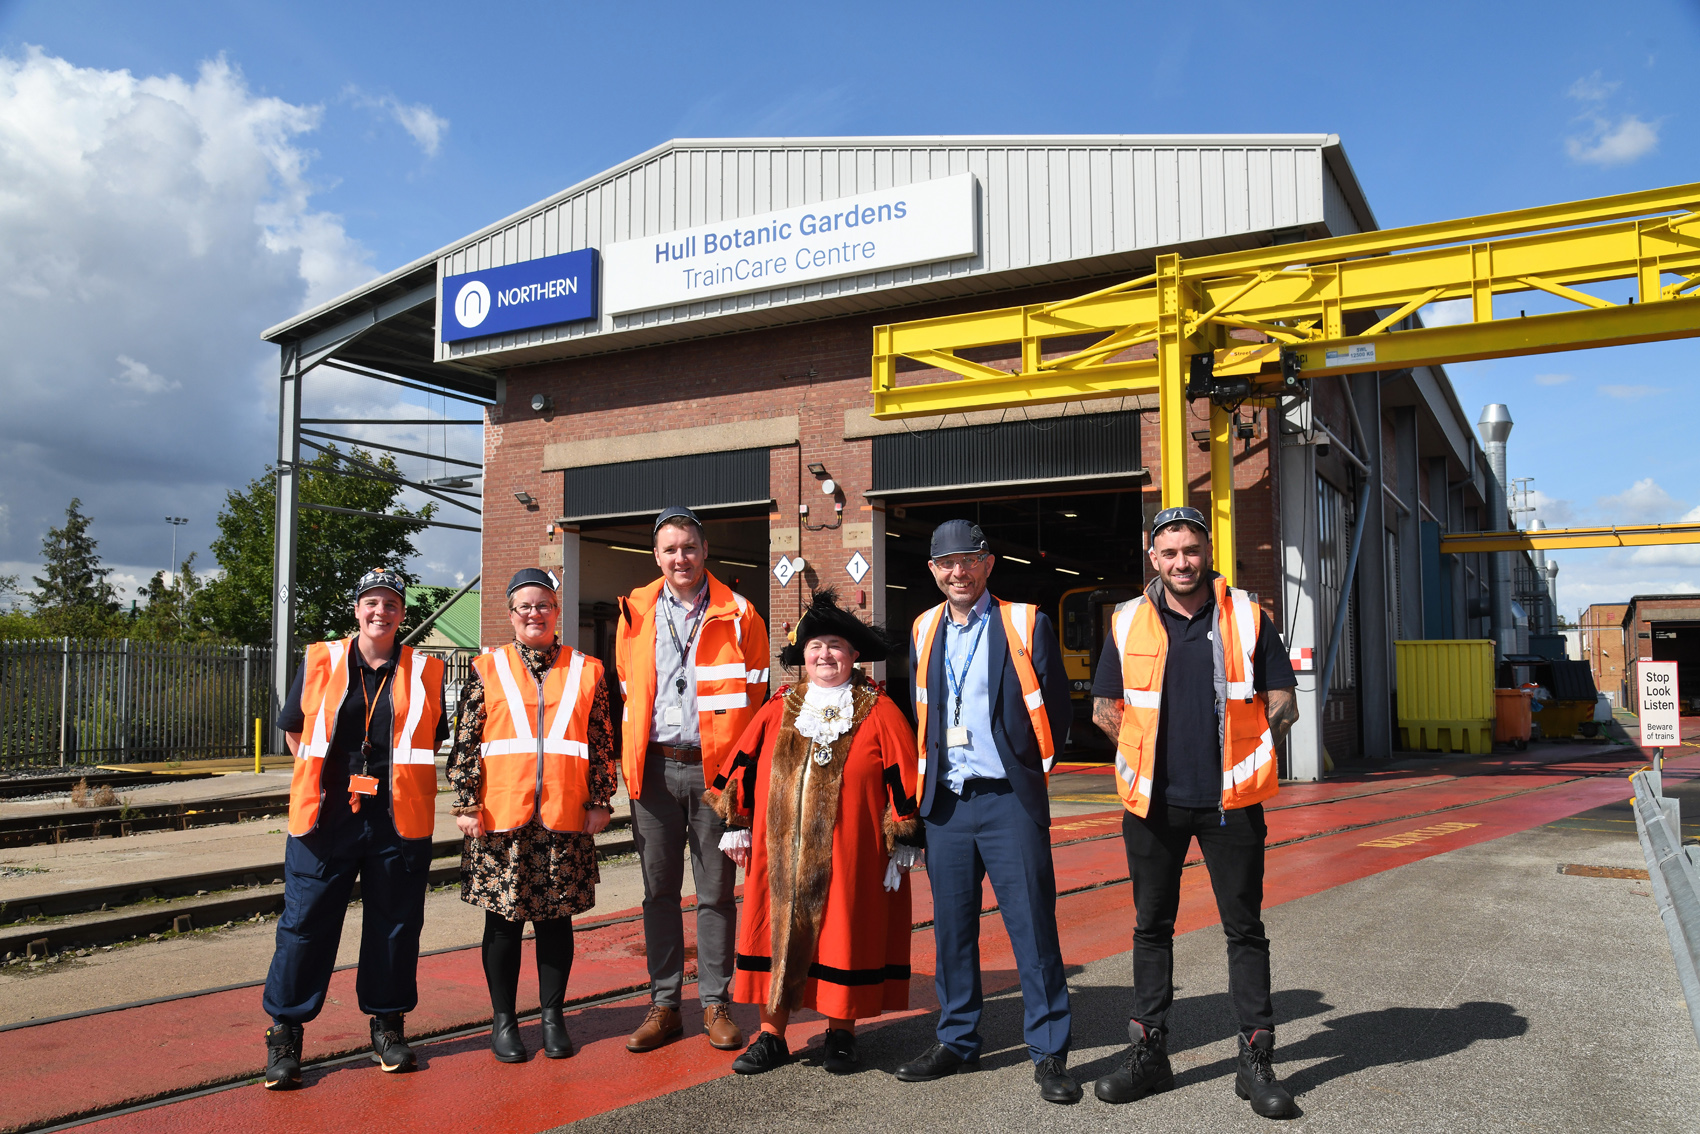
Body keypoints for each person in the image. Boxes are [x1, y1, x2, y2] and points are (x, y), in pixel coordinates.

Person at [1089, 505, 1300, 1119]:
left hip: (1230, 804)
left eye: (1191, 549)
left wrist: (1245, 757)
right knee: (1151, 929)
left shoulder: (1248, 617)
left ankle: (1254, 1063)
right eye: (1170, 552)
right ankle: (1149, 1056)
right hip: (1153, 805)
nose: (1182, 561)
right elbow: (1107, 707)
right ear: (1152, 558)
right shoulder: (1126, 622)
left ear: (1208, 552)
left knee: (1245, 929)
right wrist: (1144, 757)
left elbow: (1281, 702)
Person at [895, 520, 1080, 1105]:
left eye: (968, 561)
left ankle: (1049, 1051)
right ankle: (956, 1039)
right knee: (951, 931)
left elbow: (1056, 707)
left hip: (1007, 799)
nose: (958, 572)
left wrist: (1029, 768)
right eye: (946, 563)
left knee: (1031, 926)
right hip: (947, 803)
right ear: (933, 571)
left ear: (988, 564)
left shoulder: (1026, 622)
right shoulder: (924, 627)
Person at [704, 589, 922, 1076]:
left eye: (836, 647)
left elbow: (904, 778)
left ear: (853, 655)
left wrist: (903, 839)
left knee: (842, 935)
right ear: (803, 655)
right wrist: (735, 824)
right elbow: (741, 764)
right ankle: (772, 1035)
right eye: (816, 646)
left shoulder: (880, 709)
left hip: (850, 856)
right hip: (778, 854)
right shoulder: (780, 706)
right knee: (771, 934)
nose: (826, 655)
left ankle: (841, 1034)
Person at [263, 567, 447, 1090]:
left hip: (397, 819)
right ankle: (286, 1032)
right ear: (356, 609)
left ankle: (387, 1026)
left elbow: (429, 738)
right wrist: (331, 777)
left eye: (390, 604)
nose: (380, 612)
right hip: (325, 819)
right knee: (305, 924)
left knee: (394, 924)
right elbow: (297, 732)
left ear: (402, 614)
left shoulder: (426, 669)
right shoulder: (321, 658)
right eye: (371, 602)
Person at [446, 568, 618, 1063]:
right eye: (524, 606)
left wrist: (601, 799)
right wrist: (464, 802)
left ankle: (552, 1017)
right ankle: (504, 1020)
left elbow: (602, 741)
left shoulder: (589, 669)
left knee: (556, 922)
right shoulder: (486, 667)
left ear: (556, 611)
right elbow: (466, 740)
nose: (534, 614)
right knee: (502, 925)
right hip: (501, 818)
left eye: (542, 604)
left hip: (565, 815)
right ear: (511, 614)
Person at [616, 505, 769, 1054]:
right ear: (656, 556)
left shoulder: (741, 613)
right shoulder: (634, 610)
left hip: (716, 773)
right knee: (658, 893)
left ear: (706, 552)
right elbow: (631, 694)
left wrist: (743, 787)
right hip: (655, 769)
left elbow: (755, 703)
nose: (680, 558)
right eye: (669, 549)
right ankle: (663, 1005)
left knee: (715, 894)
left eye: (689, 547)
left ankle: (715, 1004)